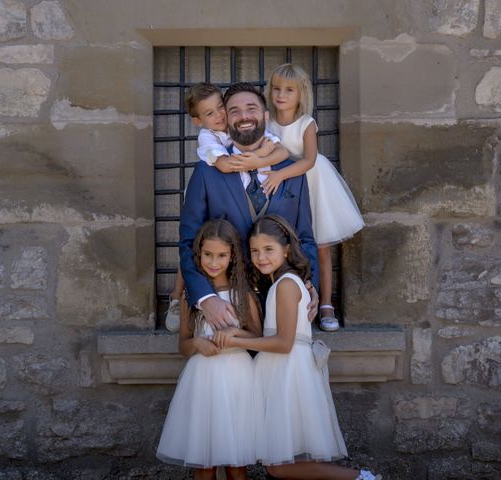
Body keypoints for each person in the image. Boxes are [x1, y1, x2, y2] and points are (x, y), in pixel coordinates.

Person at [212, 215, 378, 480]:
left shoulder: (287, 284)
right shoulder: (280, 282)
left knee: (278, 465)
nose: (261, 257)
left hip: (289, 372)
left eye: (269, 249)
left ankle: (360, 478)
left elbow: (283, 342)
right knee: (288, 460)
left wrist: (234, 339)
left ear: (286, 249)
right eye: (254, 251)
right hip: (281, 370)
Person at [179, 82, 319, 331]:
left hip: (285, 309)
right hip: (228, 311)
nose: (244, 117)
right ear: (226, 119)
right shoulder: (205, 172)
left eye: (251, 109)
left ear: (265, 116)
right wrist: (206, 299)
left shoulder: (292, 172)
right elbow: (190, 242)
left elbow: (305, 238)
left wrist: (310, 285)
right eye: (234, 111)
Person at [157, 218, 262, 480]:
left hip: (238, 378)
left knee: (237, 462)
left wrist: (235, 332)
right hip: (202, 380)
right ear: (198, 254)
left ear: (232, 256)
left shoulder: (242, 293)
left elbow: (257, 336)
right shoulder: (191, 297)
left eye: (221, 256)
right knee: (204, 462)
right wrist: (196, 343)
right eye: (207, 255)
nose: (214, 263)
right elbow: (183, 344)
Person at [263, 63, 365, 332]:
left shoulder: (307, 123)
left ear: (301, 94)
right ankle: (284, 301)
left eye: (288, 90)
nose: (281, 95)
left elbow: (308, 160)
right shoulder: (267, 121)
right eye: (276, 89)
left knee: (320, 245)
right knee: (283, 243)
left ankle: (326, 304)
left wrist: (280, 175)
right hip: (285, 191)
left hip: (313, 183)